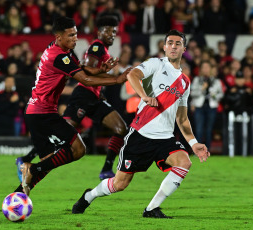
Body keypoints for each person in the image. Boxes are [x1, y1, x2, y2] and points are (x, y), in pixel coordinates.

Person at [71, 29, 210, 218]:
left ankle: (151, 209)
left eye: (178, 43)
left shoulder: (185, 82)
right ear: (164, 46)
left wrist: (194, 144)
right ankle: (89, 195)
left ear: (184, 48)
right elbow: (133, 75)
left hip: (165, 139)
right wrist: (144, 96)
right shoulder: (155, 63)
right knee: (119, 184)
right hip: (141, 135)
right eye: (170, 42)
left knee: (184, 162)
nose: (173, 46)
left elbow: (182, 118)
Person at [16, 16, 130, 196]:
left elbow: (83, 70)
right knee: (77, 149)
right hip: (42, 113)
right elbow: (84, 79)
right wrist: (117, 79)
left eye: (76, 34)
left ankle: (17, 196)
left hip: (36, 112)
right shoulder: (60, 56)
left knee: (48, 162)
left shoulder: (58, 50)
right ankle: (30, 167)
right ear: (59, 37)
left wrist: (101, 70)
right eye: (70, 35)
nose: (75, 38)